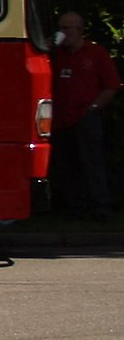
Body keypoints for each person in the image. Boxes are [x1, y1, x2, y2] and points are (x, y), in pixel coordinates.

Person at [50, 11, 121, 221]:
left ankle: (101, 207)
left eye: (67, 28)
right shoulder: (57, 55)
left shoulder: (96, 53)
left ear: (79, 30)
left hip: (86, 116)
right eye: (61, 27)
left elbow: (111, 85)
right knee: (67, 164)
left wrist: (93, 108)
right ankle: (75, 208)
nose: (63, 32)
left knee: (92, 163)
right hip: (62, 117)